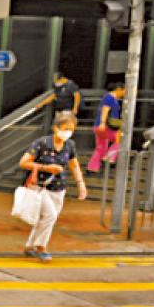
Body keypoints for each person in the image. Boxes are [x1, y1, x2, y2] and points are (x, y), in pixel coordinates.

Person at [19, 111, 87, 263]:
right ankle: (41, 247)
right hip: (40, 187)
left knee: (45, 219)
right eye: (65, 128)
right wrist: (46, 168)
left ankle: (29, 246)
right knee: (50, 216)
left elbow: (74, 165)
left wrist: (81, 184)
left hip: (59, 189)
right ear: (56, 128)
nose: (67, 132)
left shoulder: (70, 145)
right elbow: (23, 162)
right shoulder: (42, 143)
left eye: (71, 129)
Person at [89, 81, 126, 173]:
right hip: (106, 126)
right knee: (120, 139)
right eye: (124, 91)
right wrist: (102, 122)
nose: (124, 93)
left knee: (100, 147)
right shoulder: (110, 97)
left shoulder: (109, 97)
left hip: (99, 126)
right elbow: (105, 110)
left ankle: (92, 168)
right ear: (118, 89)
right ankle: (109, 157)